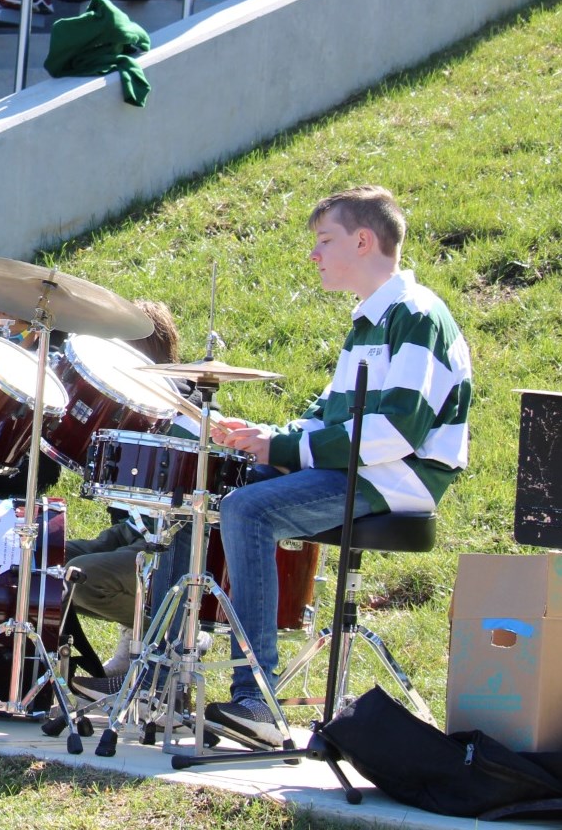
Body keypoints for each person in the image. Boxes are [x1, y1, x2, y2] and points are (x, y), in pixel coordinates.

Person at [204, 185, 472, 748]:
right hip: (362, 471)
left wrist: (285, 450)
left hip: (397, 481)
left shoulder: (417, 316)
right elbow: (328, 417)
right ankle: (158, 671)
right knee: (215, 484)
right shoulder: (367, 322)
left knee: (247, 510)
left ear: (363, 240)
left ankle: (255, 698)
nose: (314, 254)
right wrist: (264, 439)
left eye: (324, 240)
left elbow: (396, 433)